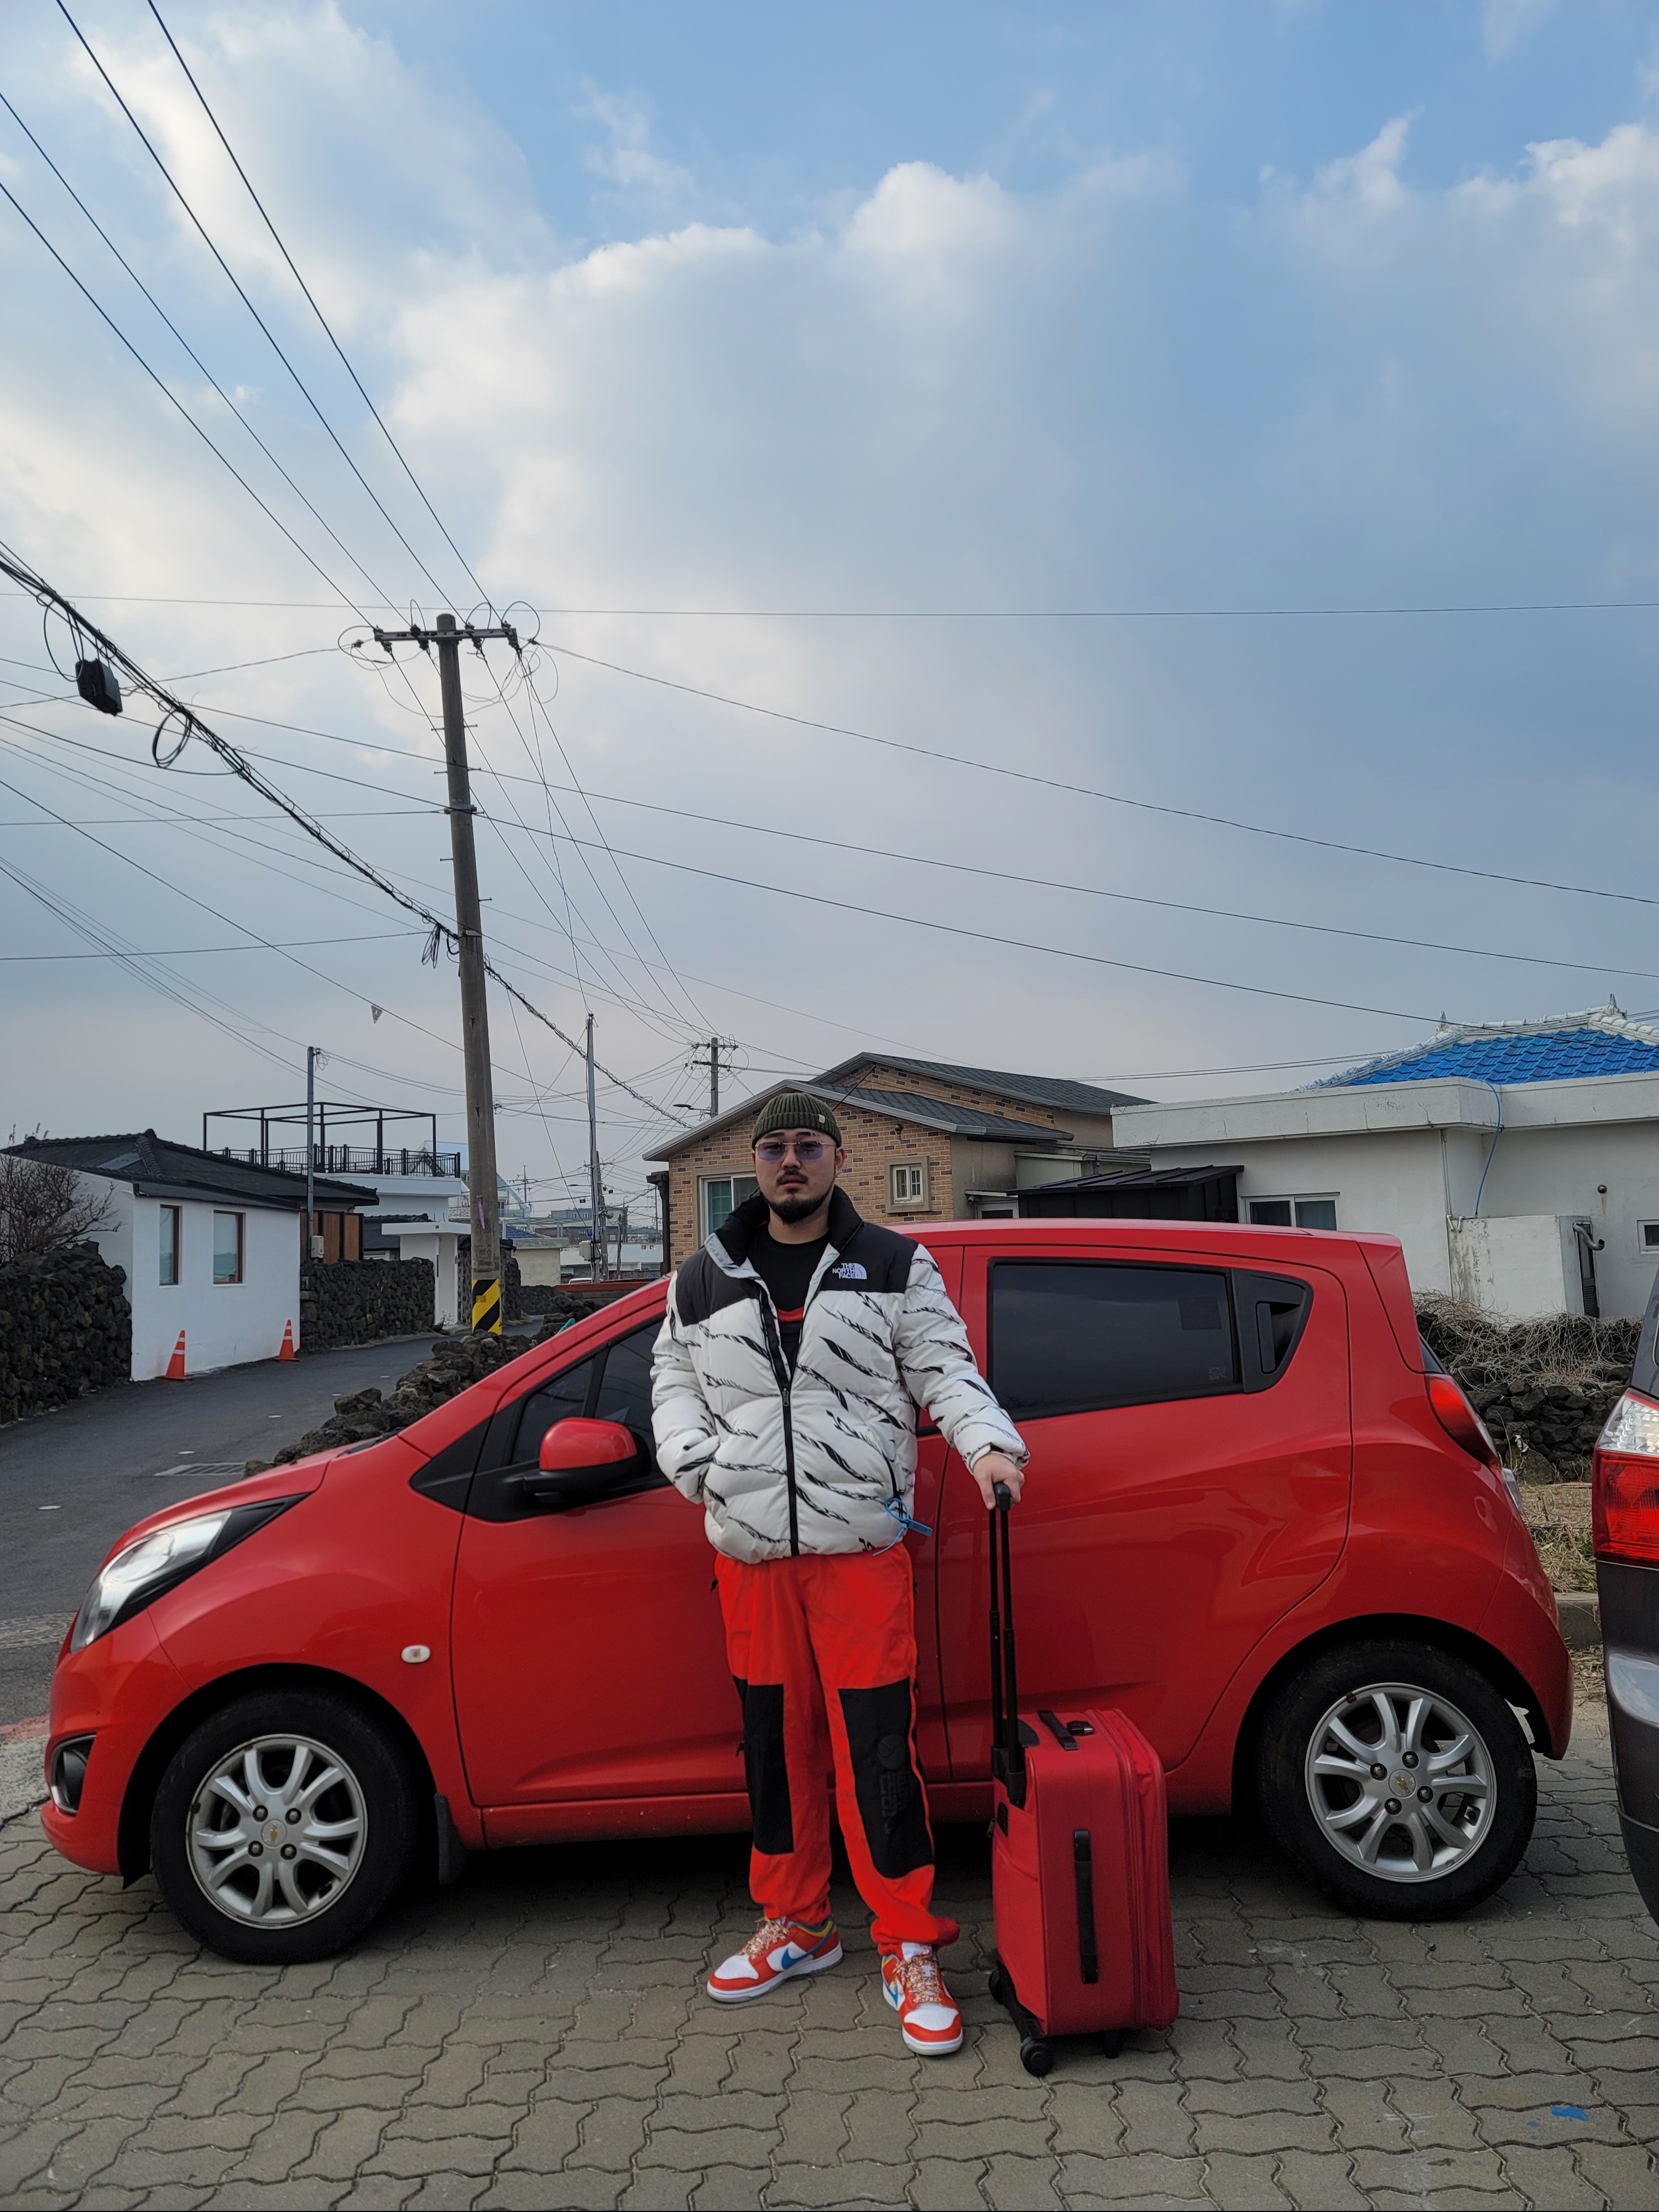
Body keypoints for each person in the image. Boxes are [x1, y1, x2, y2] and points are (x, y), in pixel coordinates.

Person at [651, 1089, 1027, 2056]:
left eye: (807, 1146)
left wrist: (988, 1446)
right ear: (753, 1162)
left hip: (861, 1551)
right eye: (773, 1148)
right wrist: (697, 1468)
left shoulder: (895, 1264)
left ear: (837, 1159)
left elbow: (947, 1369)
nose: (789, 1162)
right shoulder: (700, 1277)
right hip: (752, 1554)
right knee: (775, 1748)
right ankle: (801, 1924)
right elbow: (672, 1384)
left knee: (876, 1754)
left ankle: (907, 1941)